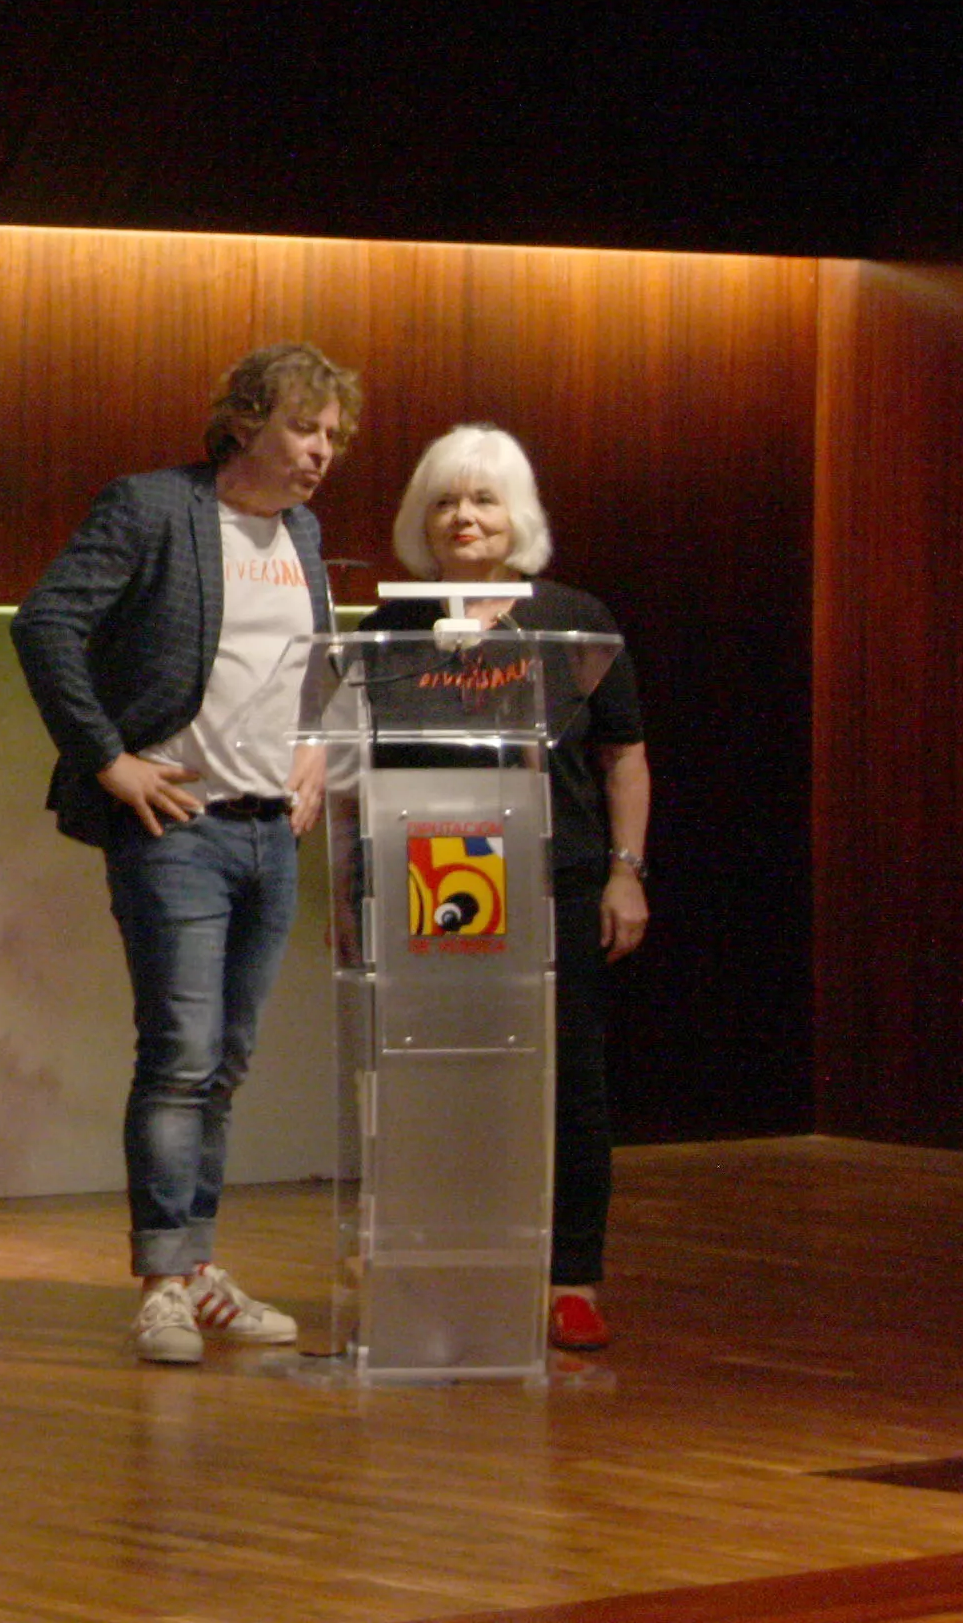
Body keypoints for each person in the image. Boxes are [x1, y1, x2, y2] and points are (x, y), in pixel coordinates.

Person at [12, 340, 360, 1364]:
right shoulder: (155, 506)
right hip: (179, 827)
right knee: (181, 1054)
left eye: (334, 436)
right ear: (245, 420)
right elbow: (45, 626)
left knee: (228, 1061)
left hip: (269, 830)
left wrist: (312, 754)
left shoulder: (302, 527)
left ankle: (201, 1265)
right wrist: (108, 760)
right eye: (305, 427)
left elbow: (314, 667)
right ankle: (163, 1281)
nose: (320, 452)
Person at [366, 424, 650, 1353]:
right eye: (445, 501)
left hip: (555, 880)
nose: (464, 518)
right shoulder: (392, 629)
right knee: (438, 1083)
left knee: (569, 1081)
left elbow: (625, 756)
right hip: (432, 888)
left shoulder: (571, 621)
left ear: (516, 515)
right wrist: (346, 897)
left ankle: (571, 1279)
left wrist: (625, 870)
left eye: (484, 499)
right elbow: (355, 768)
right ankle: (442, 1272)